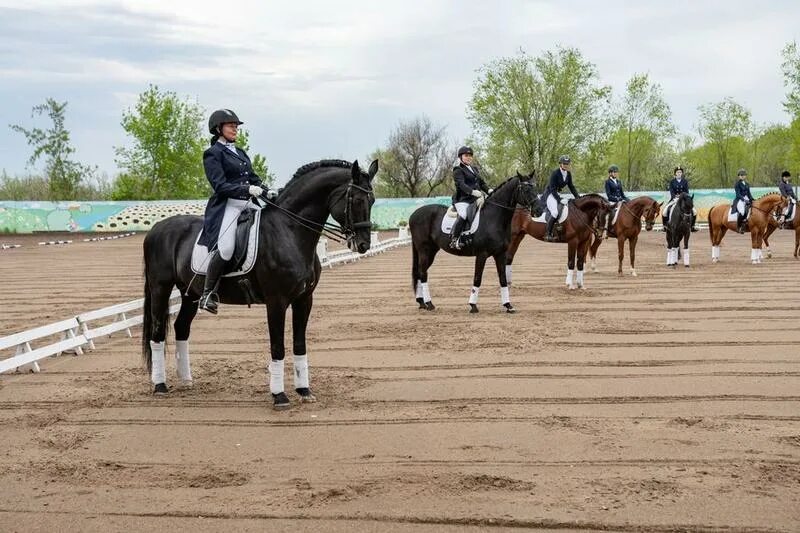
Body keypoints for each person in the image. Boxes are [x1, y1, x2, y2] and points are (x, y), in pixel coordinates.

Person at [198, 109, 278, 314]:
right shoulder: (212, 153)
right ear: (218, 128)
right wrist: (247, 189)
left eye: (236, 126)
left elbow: (253, 177)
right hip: (228, 205)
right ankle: (208, 294)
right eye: (231, 125)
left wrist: (266, 191)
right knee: (225, 248)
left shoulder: (240, 152)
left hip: (249, 203)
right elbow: (220, 186)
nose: (235, 129)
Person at [450, 146, 491, 249]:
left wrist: (489, 190)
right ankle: (454, 239)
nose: (468, 157)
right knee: (463, 215)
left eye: (470, 156)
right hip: (463, 199)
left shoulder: (474, 169)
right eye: (466, 155)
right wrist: (472, 192)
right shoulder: (458, 169)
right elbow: (461, 184)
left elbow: (481, 183)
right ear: (461, 157)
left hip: (476, 199)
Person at [544, 155, 580, 241]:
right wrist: (559, 199)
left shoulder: (568, 174)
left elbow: (571, 186)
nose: (566, 165)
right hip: (550, 194)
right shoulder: (555, 173)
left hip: (557, 194)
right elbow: (552, 189)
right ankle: (548, 234)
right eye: (564, 163)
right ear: (560, 164)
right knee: (555, 212)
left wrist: (578, 197)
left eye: (567, 163)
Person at [665, 166, 698, 231]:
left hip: (683, 199)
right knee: (665, 211)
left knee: (694, 211)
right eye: (677, 172)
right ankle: (665, 226)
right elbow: (671, 191)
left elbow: (687, 191)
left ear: (682, 173)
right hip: (674, 199)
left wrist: (683, 196)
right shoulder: (672, 182)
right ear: (675, 173)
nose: (679, 173)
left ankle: (692, 226)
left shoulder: (685, 181)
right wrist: (674, 196)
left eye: (680, 172)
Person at [603, 164, 628, 238]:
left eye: (616, 172)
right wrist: (617, 199)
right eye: (614, 172)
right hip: (612, 201)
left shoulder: (619, 181)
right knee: (608, 214)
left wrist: (628, 200)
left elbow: (622, 194)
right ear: (610, 173)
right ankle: (606, 231)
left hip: (620, 201)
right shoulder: (607, 182)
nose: (616, 173)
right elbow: (609, 195)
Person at [733, 168, 754, 234]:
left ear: (745, 176)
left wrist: (752, 199)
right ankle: (739, 227)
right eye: (741, 175)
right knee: (742, 212)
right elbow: (738, 194)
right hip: (739, 200)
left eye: (743, 175)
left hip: (747, 199)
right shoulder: (737, 184)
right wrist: (744, 200)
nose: (742, 176)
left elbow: (749, 193)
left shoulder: (747, 184)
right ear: (739, 176)